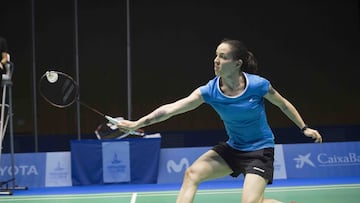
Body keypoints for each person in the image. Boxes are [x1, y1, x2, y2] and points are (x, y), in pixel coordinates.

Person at [117, 39, 323, 203]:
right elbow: (172, 109)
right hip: (234, 148)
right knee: (192, 174)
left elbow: (283, 105)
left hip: (260, 150)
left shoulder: (258, 85)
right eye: (216, 55)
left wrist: (303, 127)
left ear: (237, 63)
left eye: (222, 57)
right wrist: (137, 123)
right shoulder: (210, 91)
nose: (216, 60)